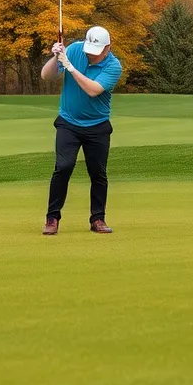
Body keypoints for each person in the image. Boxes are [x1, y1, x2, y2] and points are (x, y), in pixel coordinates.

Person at [39, 25, 123, 236]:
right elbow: (46, 76)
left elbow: (93, 90)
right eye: (89, 50)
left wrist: (69, 67)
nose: (90, 55)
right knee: (63, 167)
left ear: (108, 48)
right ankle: (52, 218)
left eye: (96, 52)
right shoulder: (76, 49)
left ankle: (98, 219)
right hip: (68, 122)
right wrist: (56, 57)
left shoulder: (114, 66)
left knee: (98, 172)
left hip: (97, 125)